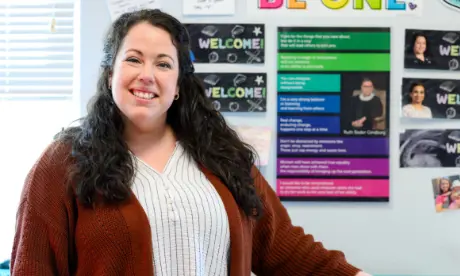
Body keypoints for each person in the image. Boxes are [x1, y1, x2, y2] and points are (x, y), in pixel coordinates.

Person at [10, 9, 372, 276]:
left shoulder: (222, 157)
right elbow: (33, 267)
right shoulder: (62, 164)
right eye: (133, 59)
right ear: (110, 75)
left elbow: (283, 247)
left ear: (180, 84)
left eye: (164, 64)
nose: (147, 75)